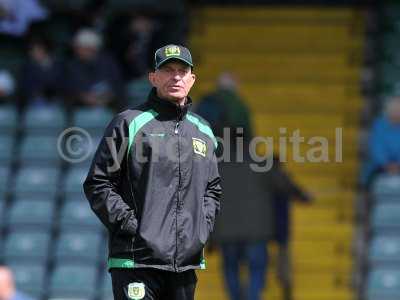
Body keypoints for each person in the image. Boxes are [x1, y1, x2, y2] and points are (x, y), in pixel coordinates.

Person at [83, 44, 222, 300]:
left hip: (185, 263)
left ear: (192, 79)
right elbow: (98, 183)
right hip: (136, 261)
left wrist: (201, 228)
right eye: (168, 70)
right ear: (153, 77)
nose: (176, 76)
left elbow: (212, 188)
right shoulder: (128, 122)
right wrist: (134, 227)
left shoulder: (203, 129)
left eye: (182, 70)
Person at [65, 28, 123, 110]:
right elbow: (71, 88)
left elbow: (117, 86)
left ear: (91, 48)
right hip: (82, 106)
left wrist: (107, 98)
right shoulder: (72, 65)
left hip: (109, 104)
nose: (76, 51)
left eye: (79, 48)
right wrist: (83, 97)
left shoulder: (108, 63)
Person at [362, 96, 400, 186]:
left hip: (398, 165)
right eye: (395, 110)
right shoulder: (379, 125)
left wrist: (397, 165)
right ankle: (368, 196)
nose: (397, 113)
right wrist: (386, 164)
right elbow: (376, 148)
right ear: (389, 111)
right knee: (371, 177)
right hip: (380, 165)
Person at [18, 36, 63, 107]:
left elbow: (61, 85)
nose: (34, 53)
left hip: (56, 100)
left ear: (46, 50)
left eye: (38, 50)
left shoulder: (58, 65)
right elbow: (24, 86)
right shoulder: (27, 67)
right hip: (33, 101)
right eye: (32, 50)